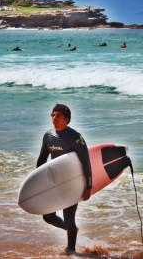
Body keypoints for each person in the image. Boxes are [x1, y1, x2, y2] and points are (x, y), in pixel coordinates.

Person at [36, 103, 92, 255]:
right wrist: (37, 183)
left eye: (58, 115)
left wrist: (88, 186)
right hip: (55, 182)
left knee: (69, 217)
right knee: (47, 216)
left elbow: (86, 161)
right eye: (52, 115)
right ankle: (71, 230)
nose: (54, 118)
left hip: (73, 182)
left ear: (67, 119)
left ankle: (71, 251)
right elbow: (41, 160)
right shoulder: (48, 137)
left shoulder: (76, 138)